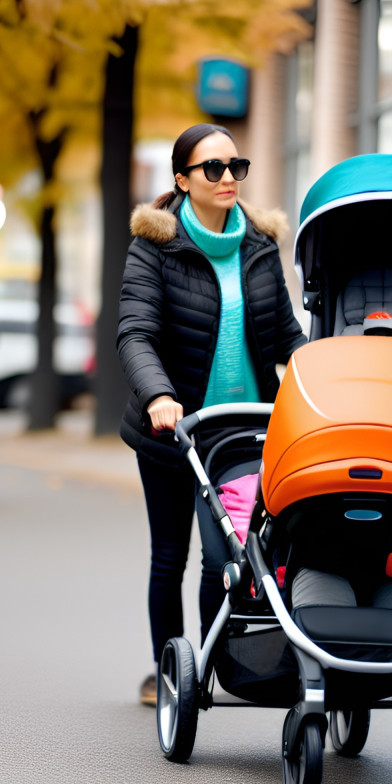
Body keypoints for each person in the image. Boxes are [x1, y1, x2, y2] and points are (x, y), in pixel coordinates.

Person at [117, 122, 307, 706]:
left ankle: (211, 666)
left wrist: (321, 376)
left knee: (223, 558)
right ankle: (169, 670)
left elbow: (285, 336)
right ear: (182, 180)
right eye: (213, 168)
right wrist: (158, 396)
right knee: (170, 556)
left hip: (245, 432)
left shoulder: (258, 245)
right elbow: (135, 331)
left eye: (236, 167)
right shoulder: (156, 245)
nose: (229, 178)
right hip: (174, 430)